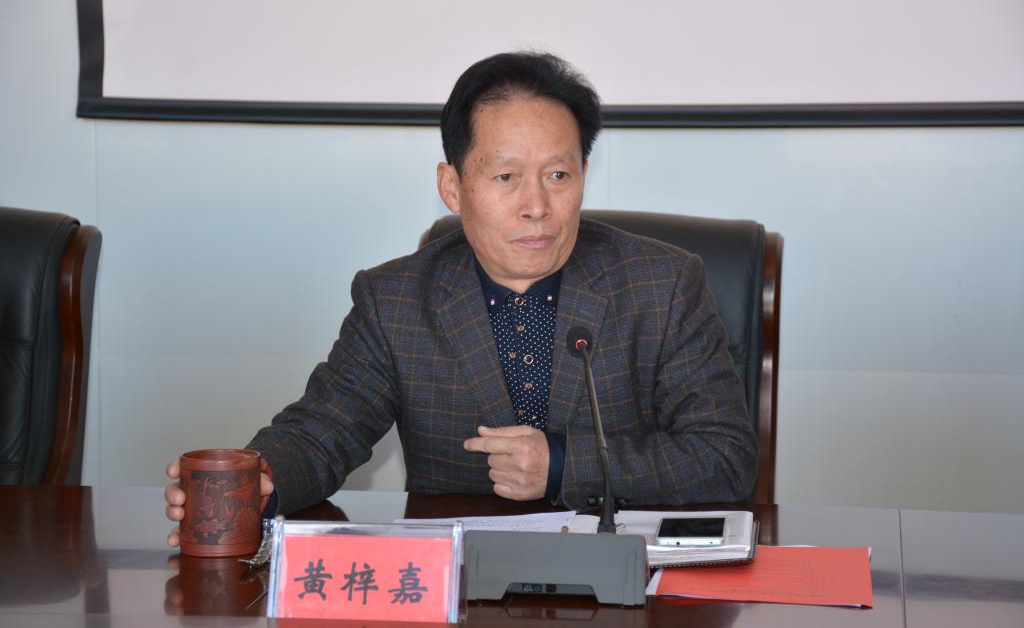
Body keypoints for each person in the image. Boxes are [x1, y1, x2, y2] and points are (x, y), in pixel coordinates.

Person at [165, 52, 755, 547]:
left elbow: (725, 457)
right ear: (452, 186)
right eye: (505, 178)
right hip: (459, 588)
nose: (536, 207)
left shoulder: (663, 284)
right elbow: (323, 430)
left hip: (628, 583)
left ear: (583, 174)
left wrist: (562, 465)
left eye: (558, 175)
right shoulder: (395, 298)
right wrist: (261, 480)